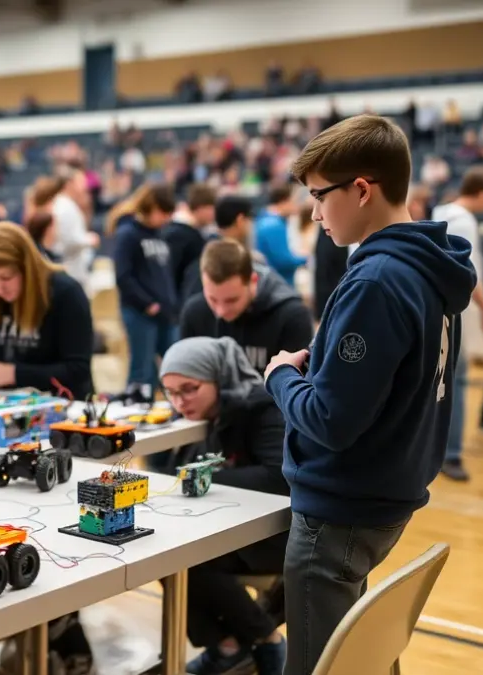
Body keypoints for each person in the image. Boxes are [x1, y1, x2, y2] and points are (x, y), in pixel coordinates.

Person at [263, 115, 476, 675]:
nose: (313, 213)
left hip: (342, 506)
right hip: (384, 494)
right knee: (361, 655)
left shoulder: (378, 280)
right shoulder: (428, 268)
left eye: (318, 196)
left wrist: (280, 376)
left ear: (361, 189)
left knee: (322, 667)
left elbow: (330, 419)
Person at [160, 337, 288, 675]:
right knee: (163, 551)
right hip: (236, 524)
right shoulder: (208, 413)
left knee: (182, 558)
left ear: (218, 378)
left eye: (189, 389)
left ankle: (266, 640)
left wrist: (203, 478)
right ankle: (229, 646)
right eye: (171, 393)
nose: (179, 402)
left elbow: (278, 478)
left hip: (281, 531)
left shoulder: (263, 406)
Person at [0, 222, 93, 399]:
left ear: (27, 268)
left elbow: (78, 370)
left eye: (6, 277)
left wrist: (14, 373)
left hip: (59, 405)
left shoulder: (66, 293)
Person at [433, 166, 483, 481]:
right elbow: (468, 272)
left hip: (443, 310)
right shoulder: (464, 220)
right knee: (455, 382)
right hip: (457, 313)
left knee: (444, 382)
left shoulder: (442, 211)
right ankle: (451, 454)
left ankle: (441, 450)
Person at [180, 239, 314, 374]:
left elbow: (296, 385)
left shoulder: (292, 315)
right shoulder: (194, 312)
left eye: (231, 300)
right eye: (212, 299)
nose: (221, 312)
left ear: (253, 281)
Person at [110, 183, 178, 398]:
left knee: (174, 364)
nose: (166, 218)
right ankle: (137, 413)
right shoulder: (128, 234)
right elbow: (123, 276)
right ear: (152, 207)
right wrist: (147, 304)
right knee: (142, 372)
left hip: (165, 312)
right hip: (139, 312)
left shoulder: (159, 235)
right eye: (163, 212)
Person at [254, 184, 305, 287]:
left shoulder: (266, 219)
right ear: (284, 201)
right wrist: (308, 258)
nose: (298, 205)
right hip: (280, 283)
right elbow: (283, 260)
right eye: (294, 201)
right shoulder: (274, 225)